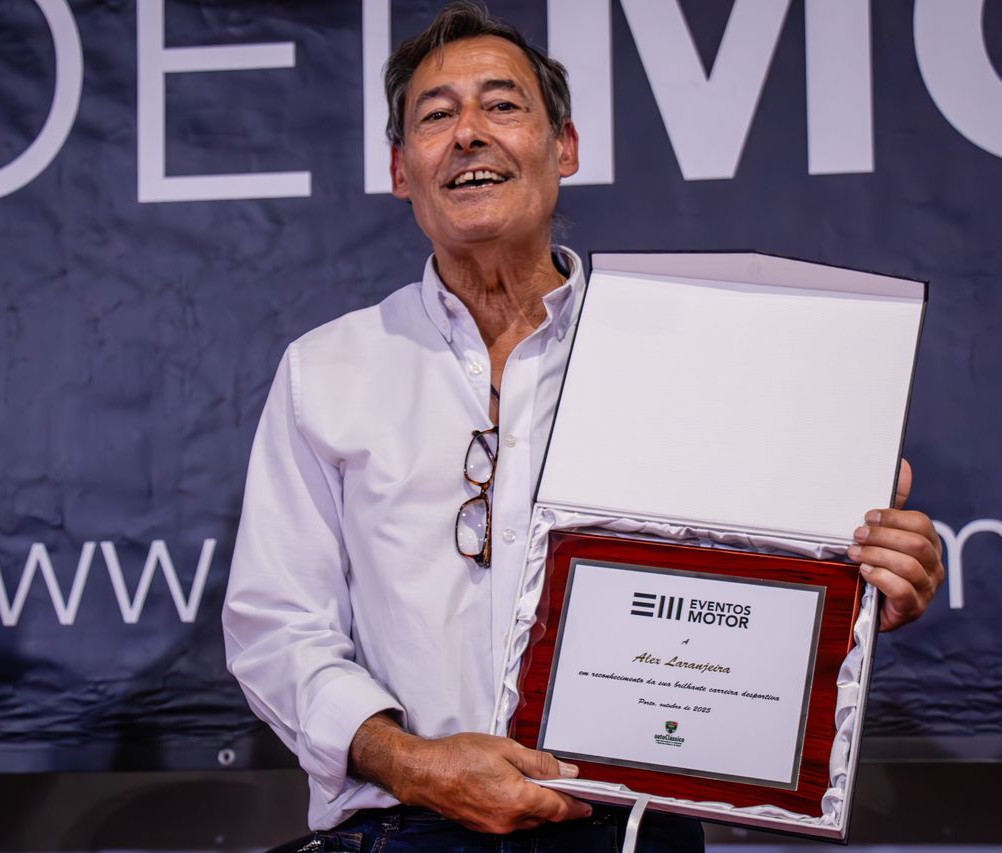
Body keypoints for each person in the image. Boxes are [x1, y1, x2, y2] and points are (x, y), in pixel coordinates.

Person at [222, 3, 945, 851]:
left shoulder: (688, 352)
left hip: (628, 828)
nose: (468, 133)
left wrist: (854, 582)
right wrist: (414, 763)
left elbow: (759, 577)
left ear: (564, 147)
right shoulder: (328, 368)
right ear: (399, 169)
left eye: (502, 104)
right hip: (403, 826)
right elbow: (276, 626)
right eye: (435, 116)